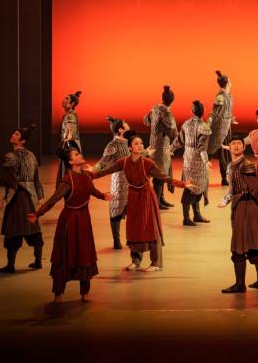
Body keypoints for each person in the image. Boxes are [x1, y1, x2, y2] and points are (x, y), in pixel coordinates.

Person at [88, 134, 188, 272]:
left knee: (150, 228)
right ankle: (136, 260)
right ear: (129, 147)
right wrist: (89, 175)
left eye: (141, 143)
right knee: (133, 228)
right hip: (133, 196)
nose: (140, 146)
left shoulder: (148, 163)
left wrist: (183, 184)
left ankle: (156, 262)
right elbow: (106, 171)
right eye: (136, 143)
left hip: (146, 196)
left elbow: (164, 177)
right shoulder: (123, 162)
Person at [29, 146, 112, 303]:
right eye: (76, 154)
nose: (80, 155)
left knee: (84, 253)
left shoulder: (86, 176)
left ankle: (84, 292)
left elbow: (92, 190)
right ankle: (58, 293)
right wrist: (38, 214)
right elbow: (53, 199)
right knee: (65, 253)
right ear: (71, 162)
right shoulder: (68, 180)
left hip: (84, 220)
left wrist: (103, 196)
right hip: (70, 221)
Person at [217, 134, 258, 293]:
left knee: (241, 245)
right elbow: (232, 190)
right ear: (229, 147)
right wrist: (225, 201)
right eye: (233, 143)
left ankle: (241, 284)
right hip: (239, 206)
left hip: (248, 208)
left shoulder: (246, 165)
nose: (236, 146)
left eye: (239, 143)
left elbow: (256, 187)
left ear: (243, 147)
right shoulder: (230, 166)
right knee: (251, 244)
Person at [0, 124, 44, 273]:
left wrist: (6, 198)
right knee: (32, 227)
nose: (13, 135)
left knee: (13, 229)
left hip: (18, 197)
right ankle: (38, 261)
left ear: (22, 141)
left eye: (16, 134)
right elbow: (37, 179)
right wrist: (39, 196)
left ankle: (10, 265)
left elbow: (11, 182)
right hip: (29, 197)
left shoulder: (10, 157)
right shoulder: (31, 155)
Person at [94, 117, 132, 249]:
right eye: (126, 123)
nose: (128, 124)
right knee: (116, 209)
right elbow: (103, 162)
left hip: (132, 180)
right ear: (120, 130)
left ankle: (132, 238)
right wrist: (93, 170)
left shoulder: (129, 141)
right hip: (120, 181)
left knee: (133, 210)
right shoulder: (112, 146)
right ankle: (116, 239)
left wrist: (146, 152)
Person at [173, 100, 213, 226]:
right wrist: (206, 161)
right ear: (202, 111)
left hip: (188, 159)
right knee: (191, 188)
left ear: (192, 111)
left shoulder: (187, 124)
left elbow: (179, 140)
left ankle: (196, 214)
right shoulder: (204, 128)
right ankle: (186, 218)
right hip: (198, 161)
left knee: (195, 188)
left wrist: (171, 148)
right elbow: (202, 148)